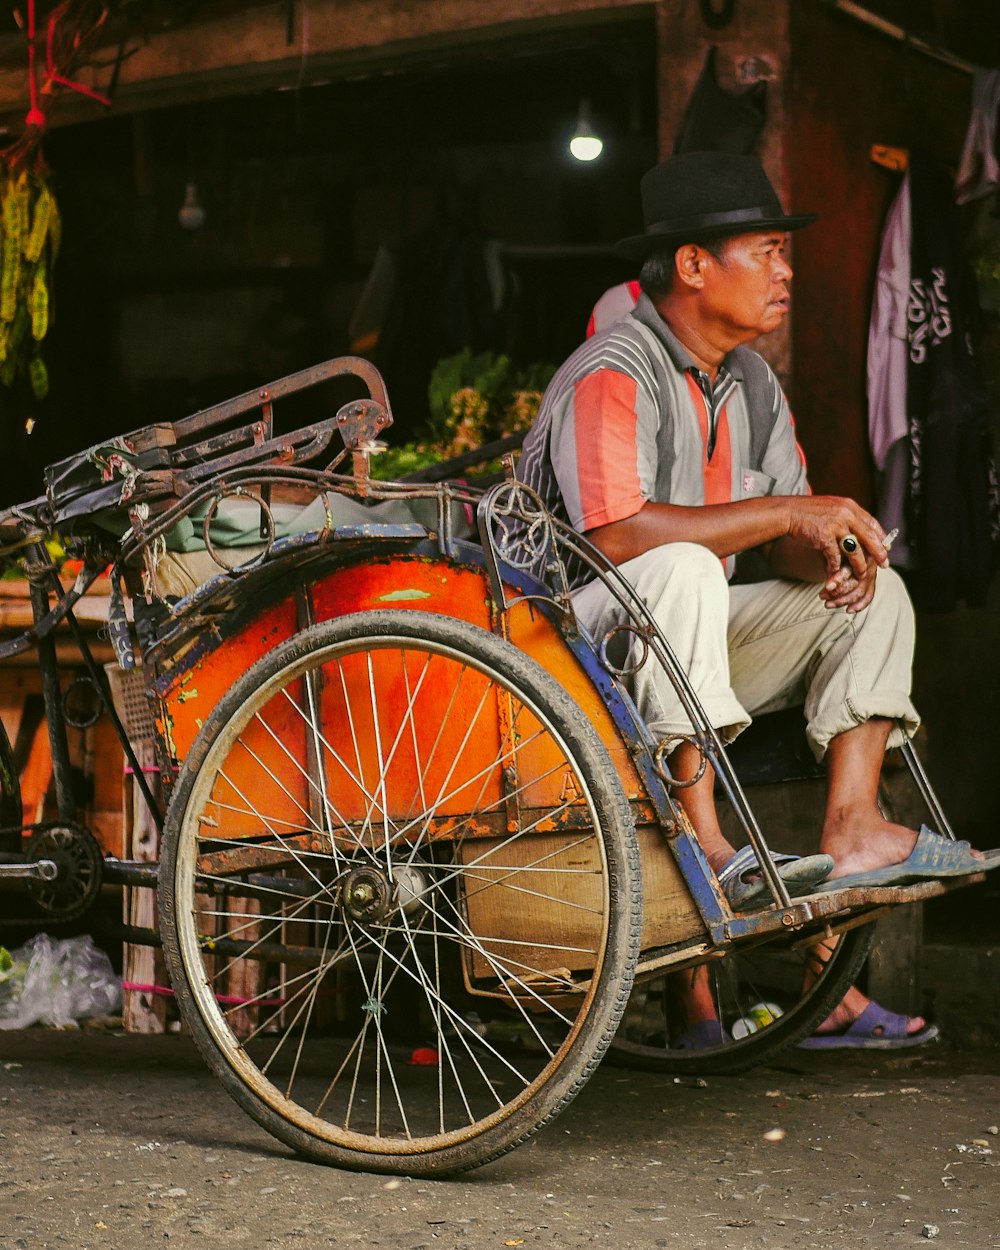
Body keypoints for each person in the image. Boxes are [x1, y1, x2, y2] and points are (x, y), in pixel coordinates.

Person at [516, 150, 998, 1046]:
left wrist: (831, 558)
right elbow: (615, 539)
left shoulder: (753, 385)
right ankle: (703, 849)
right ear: (694, 266)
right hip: (562, 659)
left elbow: (779, 538)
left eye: (785, 251)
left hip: (679, 646)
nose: (787, 270)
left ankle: (854, 826)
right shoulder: (612, 369)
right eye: (768, 250)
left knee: (880, 594)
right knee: (687, 566)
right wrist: (787, 508)